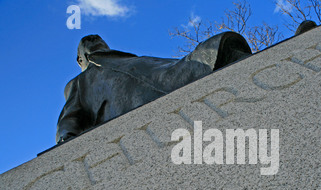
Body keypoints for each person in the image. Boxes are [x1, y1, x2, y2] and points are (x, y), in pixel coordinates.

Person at [56, 33, 252, 144]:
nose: (95, 40)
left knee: (219, 48)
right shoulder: (78, 82)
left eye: (97, 39)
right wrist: (68, 141)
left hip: (171, 76)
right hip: (129, 111)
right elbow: (71, 116)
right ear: (80, 59)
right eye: (88, 42)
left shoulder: (127, 57)